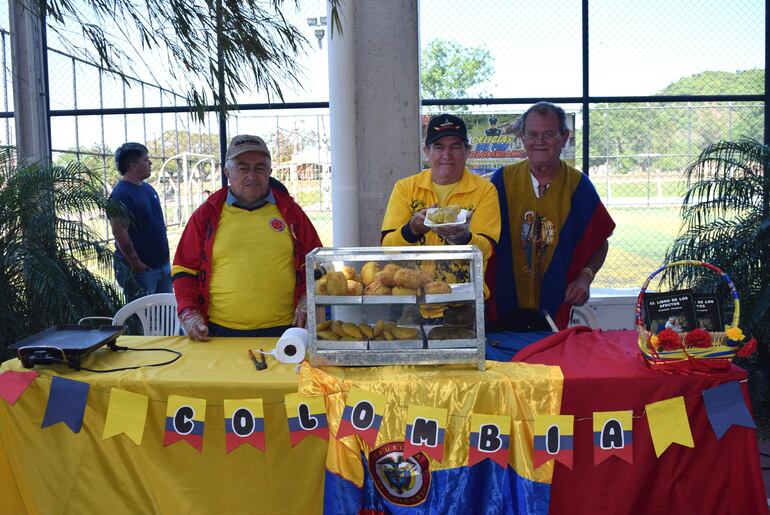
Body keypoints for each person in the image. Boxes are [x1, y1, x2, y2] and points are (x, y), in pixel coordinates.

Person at [172, 134, 322, 340]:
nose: (252, 175)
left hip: (285, 331)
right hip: (219, 331)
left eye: (259, 168)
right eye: (242, 168)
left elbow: (315, 262)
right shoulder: (207, 214)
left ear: (269, 172)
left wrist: (307, 298)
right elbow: (184, 269)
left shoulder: (291, 212)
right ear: (227, 172)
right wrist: (189, 312)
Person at [489, 102, 615, 329]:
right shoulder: (502, 182)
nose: (540, 141)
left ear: (564, 138)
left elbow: (600, 242)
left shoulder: (579, 187)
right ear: (522, 138)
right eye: (532, 134)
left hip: (556, 310)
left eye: (549, 134)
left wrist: (585, 277)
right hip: (503, 310)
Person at [381, 113, 501, 301]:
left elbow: (488, 250)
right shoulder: (405, 188)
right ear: (427, 151)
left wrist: (462, 237)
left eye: (455, 147)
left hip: (465, 300)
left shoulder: (485, 190)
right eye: (439, 147)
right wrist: (411, 230)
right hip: (412, 296)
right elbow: (387, 247)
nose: (447, 155)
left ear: (467, 151)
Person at [108, 142, 172, 303]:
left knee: (165, 313)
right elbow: (120, 233)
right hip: (142, 271)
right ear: (133, 165)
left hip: (161, 266)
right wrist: (136, 264)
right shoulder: (121, 195)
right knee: (143, 318)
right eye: (146, 160)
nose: (150, 163)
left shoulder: (147, 188)